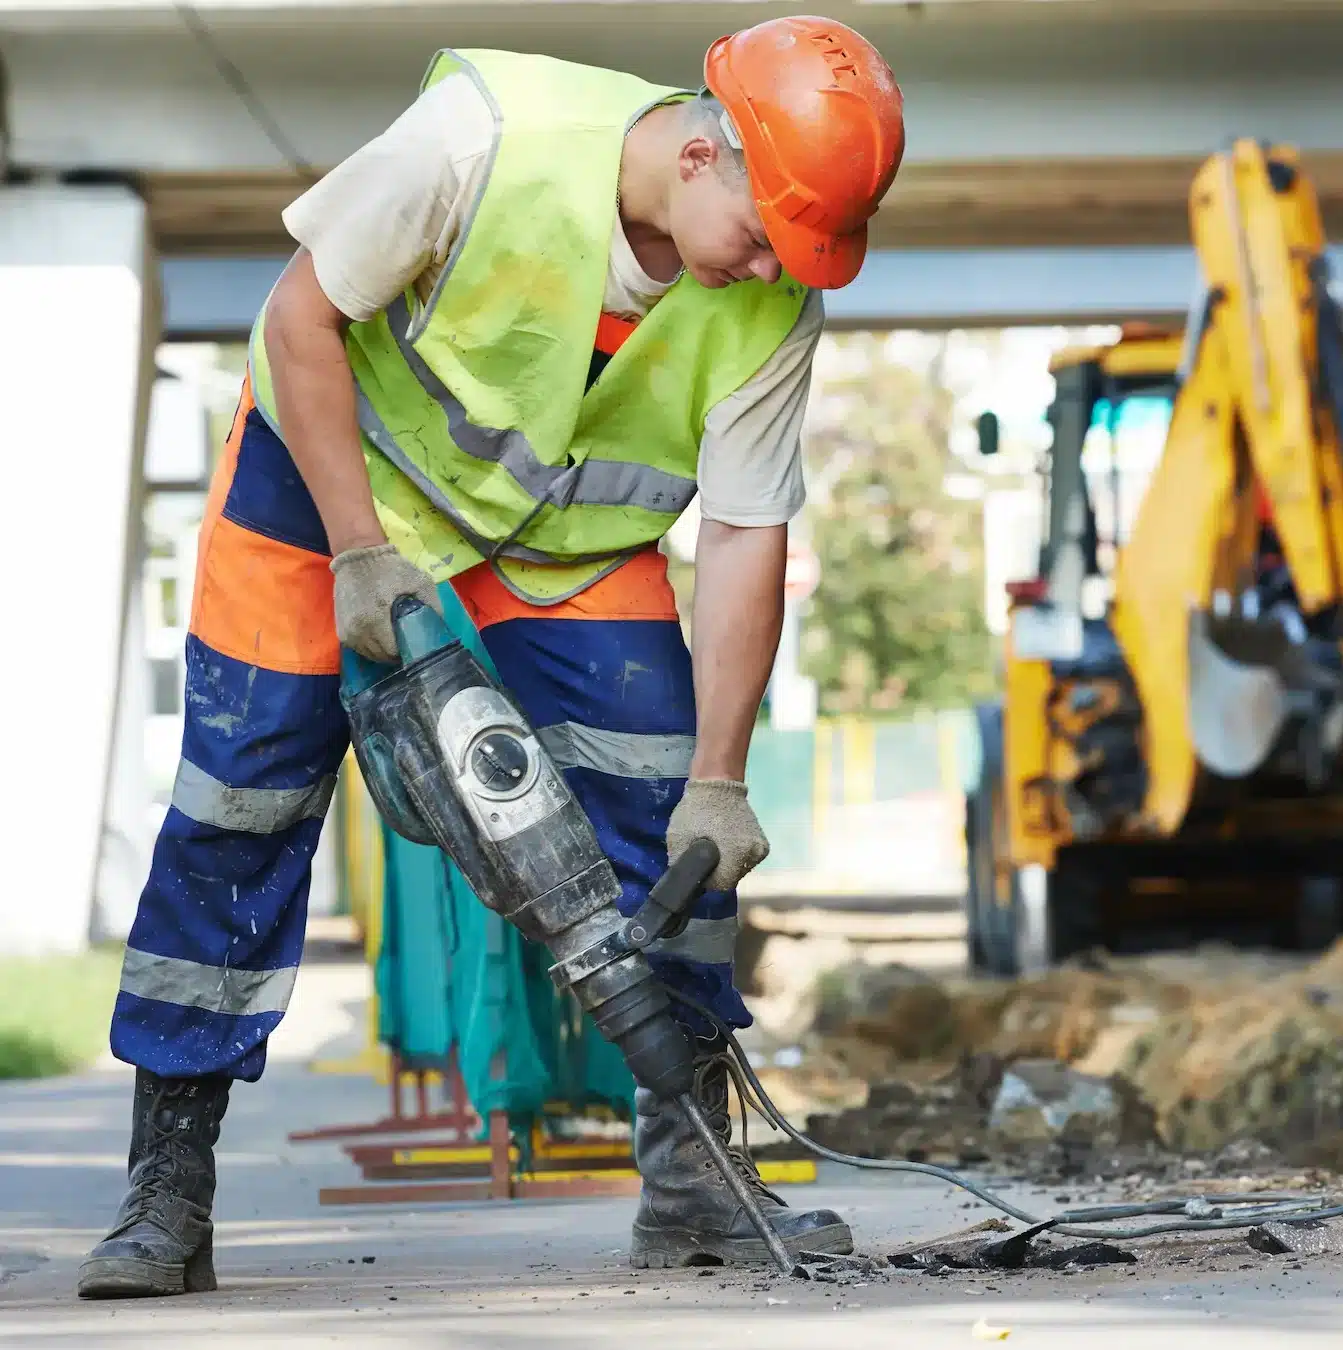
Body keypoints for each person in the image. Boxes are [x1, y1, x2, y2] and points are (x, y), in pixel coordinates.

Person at [77, 15, 905, 1298]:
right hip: (325, 491)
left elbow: (746, 534)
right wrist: (357, 552)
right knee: (238, 812)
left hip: (554, 538)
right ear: (703, 156)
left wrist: (723, 778)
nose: (772, 268)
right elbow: (301, 321)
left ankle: (696, 1185)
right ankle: (165, 1192)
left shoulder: (774, 296)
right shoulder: (488, 136)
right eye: (767, 233)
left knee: (666, 805)